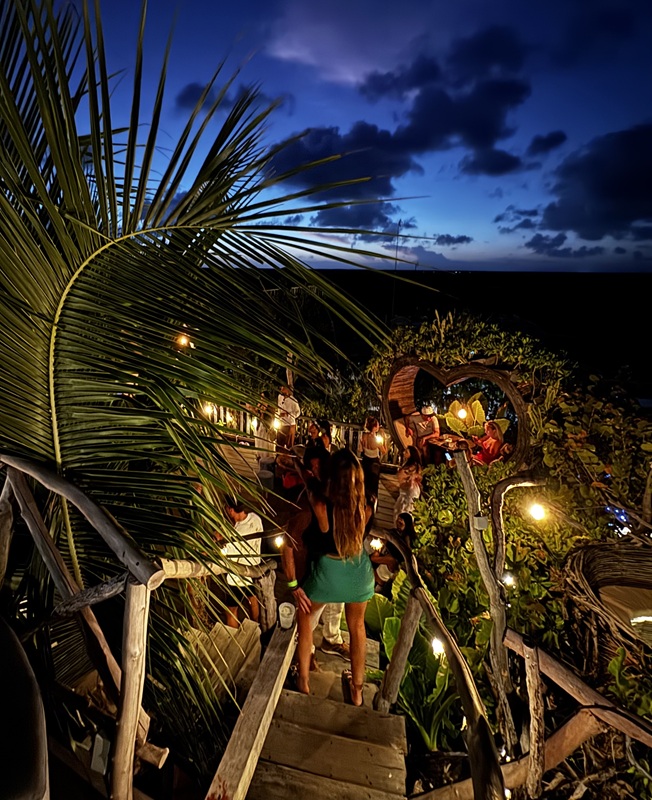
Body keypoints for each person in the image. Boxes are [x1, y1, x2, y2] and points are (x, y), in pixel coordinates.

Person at [293, 449, 374, 706]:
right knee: (357, 628)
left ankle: (303, 680)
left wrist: (299, 468)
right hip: (358, 572)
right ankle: (358, 690)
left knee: (305, 618)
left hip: (328, 573)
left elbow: (310, 485)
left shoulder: (320, 503)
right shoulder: (367, 506)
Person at [281, 447, 350, 661]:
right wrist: (293, 584)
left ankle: (331, 638)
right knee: (308, 617)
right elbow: (287, 546)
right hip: (310, 575)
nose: (317, 471)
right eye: (314, 468)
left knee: (336, 607)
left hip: (332, 568)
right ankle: (305, 657)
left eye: (321, 467)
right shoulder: (308, 505)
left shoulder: (336, 497)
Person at [221, 498, 264, 628]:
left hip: (237, 577)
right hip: (254, 569)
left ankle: (234, 634)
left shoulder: (235, 533)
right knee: (252, 598)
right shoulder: (255, 518)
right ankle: (256, 625)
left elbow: (228, 555)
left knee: (230, 610)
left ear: (231, 510)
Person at [358, 416, 386, 505]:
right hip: (374, 463)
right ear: (374, 427)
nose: (378, 427)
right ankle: (373, 503)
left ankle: (363, 501)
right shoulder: (376, 439)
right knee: (373, 485)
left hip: (365, 460)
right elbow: (384, 451)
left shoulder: (364, 435)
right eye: (377, 425)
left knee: (365, 482)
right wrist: (382, 443)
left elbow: (360, 450)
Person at [393, 445, 422, 522]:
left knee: (405, 510)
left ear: (411, 454)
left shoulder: (413, 466)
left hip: (410, 491)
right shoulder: (408, 463)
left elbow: (417, 476)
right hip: (405, 491)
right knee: (398, 509)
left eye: (406, 452)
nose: (403, 452)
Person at [277, 384, 300, 450]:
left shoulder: (293, 401)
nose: (281, 389)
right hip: (280, 424)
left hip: (289, 424)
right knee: (279, 444)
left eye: (283, 388)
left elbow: (298, 412)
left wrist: (288, 414)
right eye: (281, 387)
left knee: (288, 445)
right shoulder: (280, 397)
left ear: (287, 390)